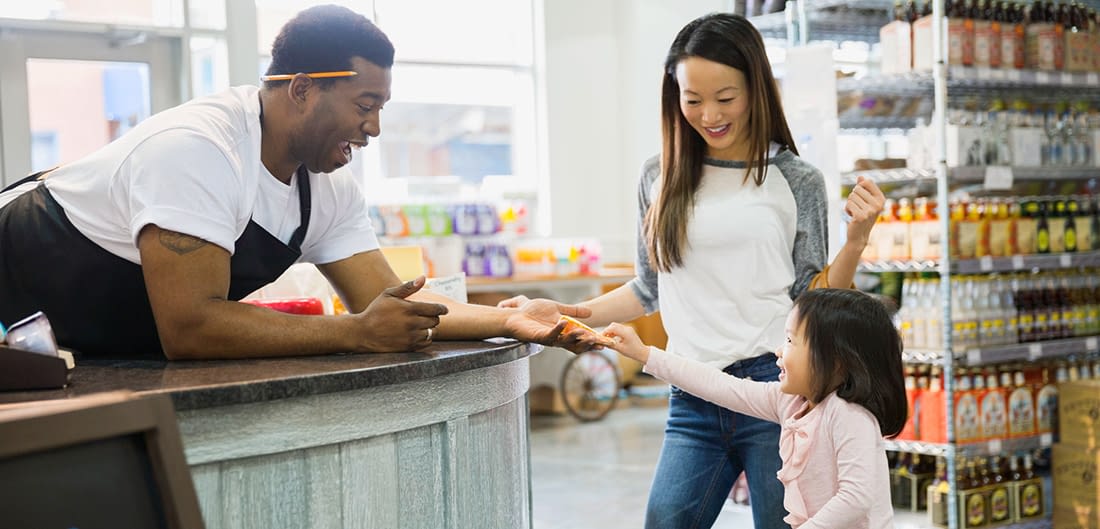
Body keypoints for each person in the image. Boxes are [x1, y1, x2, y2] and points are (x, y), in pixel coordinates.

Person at [0, 5, 594, 359]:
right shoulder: (198, 150)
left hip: (74, 344)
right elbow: (190, 326)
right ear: (304, 87)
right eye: (365, 103)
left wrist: (512, 319)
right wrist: (357, 334)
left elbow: (392, 301)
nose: (375, 128)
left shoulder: (327, 185)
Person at [497, 12, 886, 529]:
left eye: (726, 98)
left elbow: (813, 298)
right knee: (666, 520)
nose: (709, 114)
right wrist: (563, 312)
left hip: (776, 390)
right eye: (692, 99)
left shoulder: (796, 179)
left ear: (756, 89)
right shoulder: (658, 175)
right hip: (691, 391)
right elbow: (647, 288)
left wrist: (857, 238)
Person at [601, 288, 907, 529]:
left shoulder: (850, 417)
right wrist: (644, 354)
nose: (778, 350)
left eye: (790, 340)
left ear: (837, 360)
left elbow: (856, 498)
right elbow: (718, 385)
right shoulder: (788, 402)